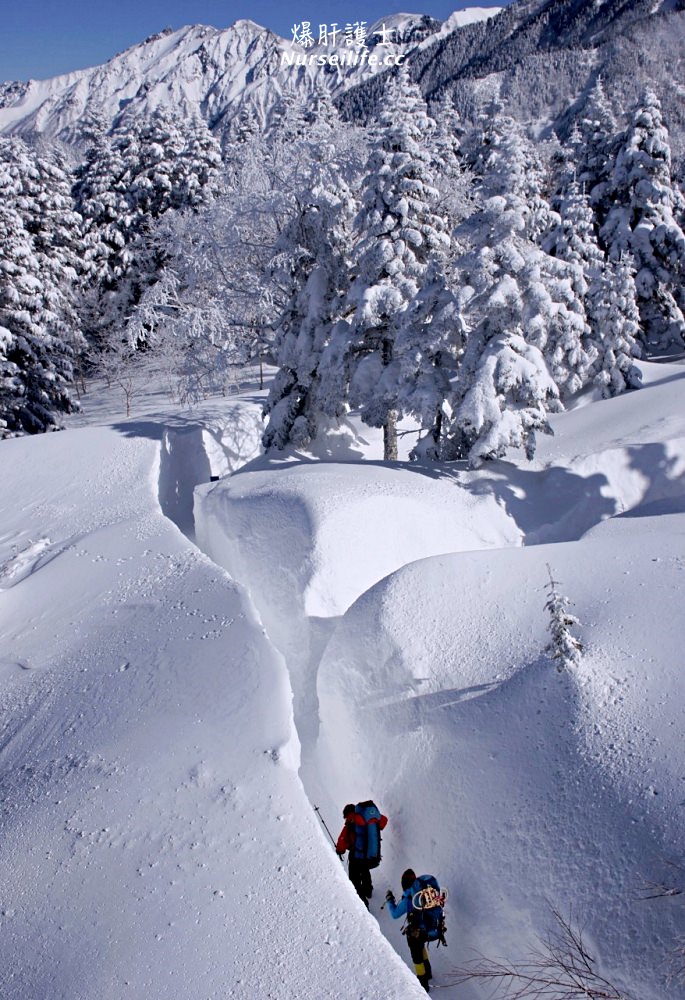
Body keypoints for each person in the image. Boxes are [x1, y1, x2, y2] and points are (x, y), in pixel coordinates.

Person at [385, 868, 433, 992]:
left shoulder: (408, 899)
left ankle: (423, 985)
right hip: (427, 929)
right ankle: (428, 973)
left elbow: (395, 914)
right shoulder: (424, 892)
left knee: (416, 958)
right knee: (421, 947)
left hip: (415, 933)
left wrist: (390, 901)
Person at [336, 802, 388, 908]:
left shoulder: (350, 821)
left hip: (356, 856)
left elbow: (342, 841)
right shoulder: (366, 818)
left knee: (354, 878)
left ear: (347, 814)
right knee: (365, 871)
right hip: (369, 855)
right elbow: (383, 821)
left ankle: (363, 902)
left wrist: (340, 850)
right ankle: (368, 890)